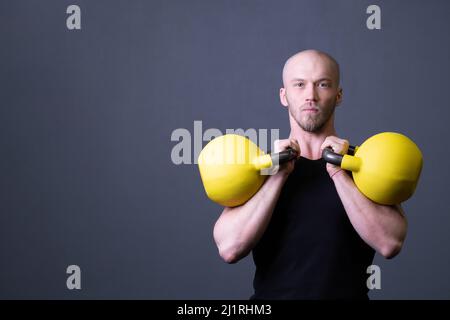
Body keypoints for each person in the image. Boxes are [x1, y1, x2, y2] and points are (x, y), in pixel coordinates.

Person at [212, 49, 408, 299]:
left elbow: (390, 243)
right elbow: (229, 248)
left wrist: (338, 172)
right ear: (284, 96)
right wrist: (276, 177)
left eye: (322, 84)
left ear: (338, 95)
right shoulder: (260, 167)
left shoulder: (364, 163)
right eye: (299, 85)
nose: (310, 96)